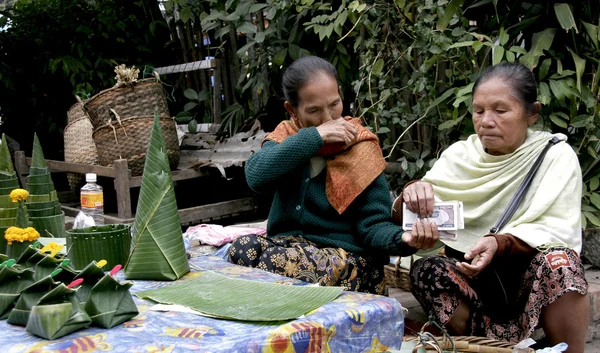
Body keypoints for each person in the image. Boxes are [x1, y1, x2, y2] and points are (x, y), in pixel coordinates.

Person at [396, 62, 589, 352]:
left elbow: (557, 230)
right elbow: (408, 213)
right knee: (427, 270)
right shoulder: (460, 156)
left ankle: (568, 349)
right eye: (478, 111)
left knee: (561, 264)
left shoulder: (554, 155)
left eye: (500, 111)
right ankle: (491, 347)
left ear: (532, 113)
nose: (486, 121)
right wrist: (411, 195)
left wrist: (500, 243)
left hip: (529, 281)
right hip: (476, 287)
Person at [228, 56, 438, 294]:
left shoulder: (360, 145)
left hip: (351, 265)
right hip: (290, 253)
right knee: (243, 248)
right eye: (314, 110)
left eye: (334, 104)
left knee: (269, 265)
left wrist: (405, 239)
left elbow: (374, 225)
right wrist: (315, 137)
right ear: (292, 110)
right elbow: (256, 176)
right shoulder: (287, 137)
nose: (329, 119)